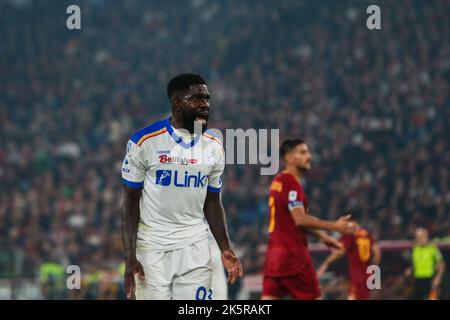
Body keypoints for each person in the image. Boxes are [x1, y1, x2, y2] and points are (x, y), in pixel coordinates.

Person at [121, 73, 243, 300]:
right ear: (177, 102)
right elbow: (129, 201)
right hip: (152, 250)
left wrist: (225, 247)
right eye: (197, 99)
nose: (205, 105)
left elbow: (213, 201)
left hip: (195, 247)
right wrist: (130, 257)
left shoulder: (214, 146)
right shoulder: (145, 142)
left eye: (207, 99)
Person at [261, 138, 357, 300]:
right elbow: (300, 219)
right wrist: (335, 226)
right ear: (289, 158)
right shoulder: (291, 184)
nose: (309, 156)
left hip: (275, 257)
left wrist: (323, 237)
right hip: (294, 257)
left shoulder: (278, 181)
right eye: (303, 152)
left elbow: (292, 221)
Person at [317, 218, 381, 300]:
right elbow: (377, 252)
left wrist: (325, 264)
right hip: (368, 278)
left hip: (357, 278)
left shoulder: (350, 234)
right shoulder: (367, 234)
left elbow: (339, 251)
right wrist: (374, 270)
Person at [404, 228, 445, 300]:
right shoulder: (414, 249)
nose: (422, 239)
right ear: (416, 238)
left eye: (424, 236)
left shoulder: (433, 248)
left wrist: (438, 278)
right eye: (419, 237)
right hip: (417, 280)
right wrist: (410, 270)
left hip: (430, 279)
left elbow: (441, 264)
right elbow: (413, 264)